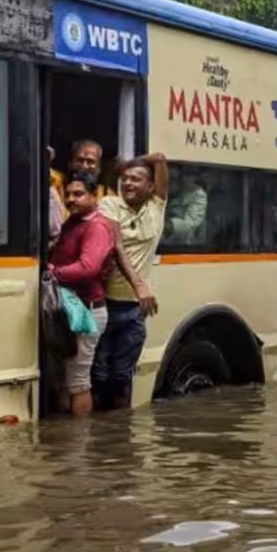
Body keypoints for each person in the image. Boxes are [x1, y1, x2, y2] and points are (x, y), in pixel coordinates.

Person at [92, 153, 169, 411]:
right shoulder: (109, 204)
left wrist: (134, 161)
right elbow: (116, 246)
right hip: (104, 305)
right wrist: (139, 285)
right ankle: (94, 431)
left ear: (151, 186)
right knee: (99, 375)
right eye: (124, 178)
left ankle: (120, 432)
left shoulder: (156, 207)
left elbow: (160, 159)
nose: (128, 183)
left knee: (122, 377)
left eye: (135, 179)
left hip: (135, 310)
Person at [48, 169, 115, 417]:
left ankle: (80, 435)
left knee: (78, 380)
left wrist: (53, 273)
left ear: (94, 195)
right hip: (69, 308)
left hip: (86, 312)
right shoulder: (73, 222)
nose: (71, 200)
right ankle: (67, 435)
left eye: (78, 194)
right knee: (64, 379)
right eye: (68, 194)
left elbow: (89, 267)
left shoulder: (97, 227)